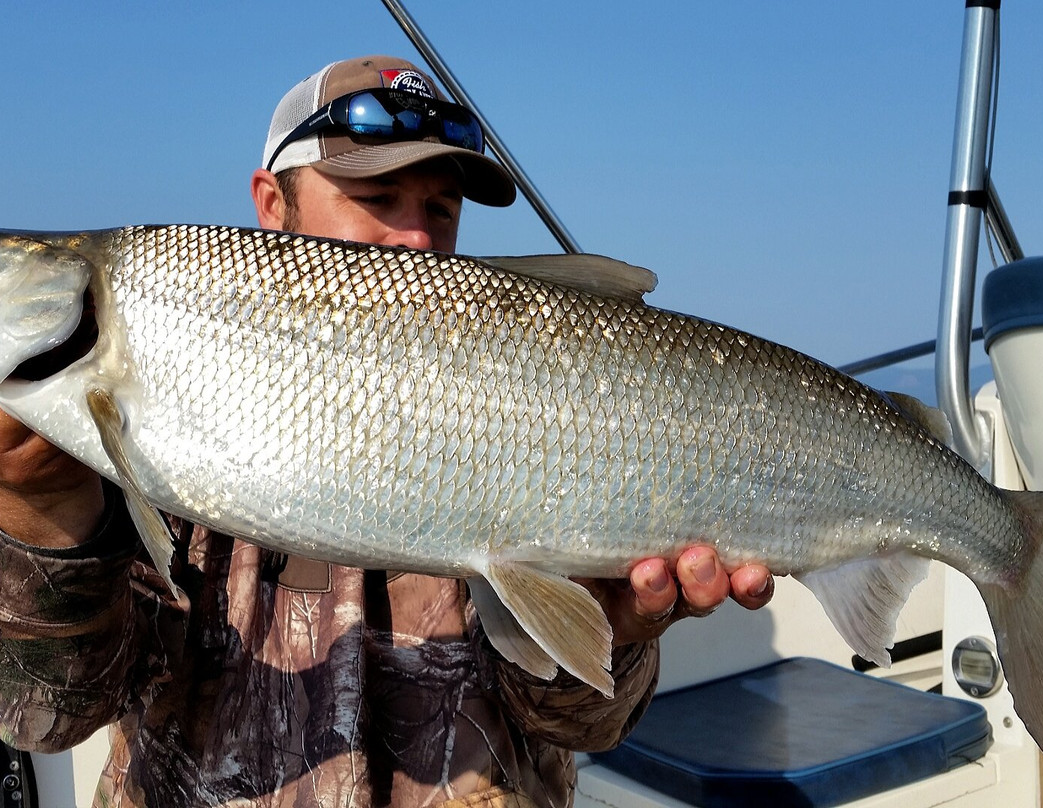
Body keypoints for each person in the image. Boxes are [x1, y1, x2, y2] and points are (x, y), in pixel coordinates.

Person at [0, 56, 773, 807]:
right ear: (271, 203)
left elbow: (585, 726)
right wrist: (40, 509)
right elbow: (47, 720)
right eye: (377, 195)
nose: (416, 239)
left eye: (441, 209)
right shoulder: (149, 388)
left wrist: (619, 629)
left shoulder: (524, 405)